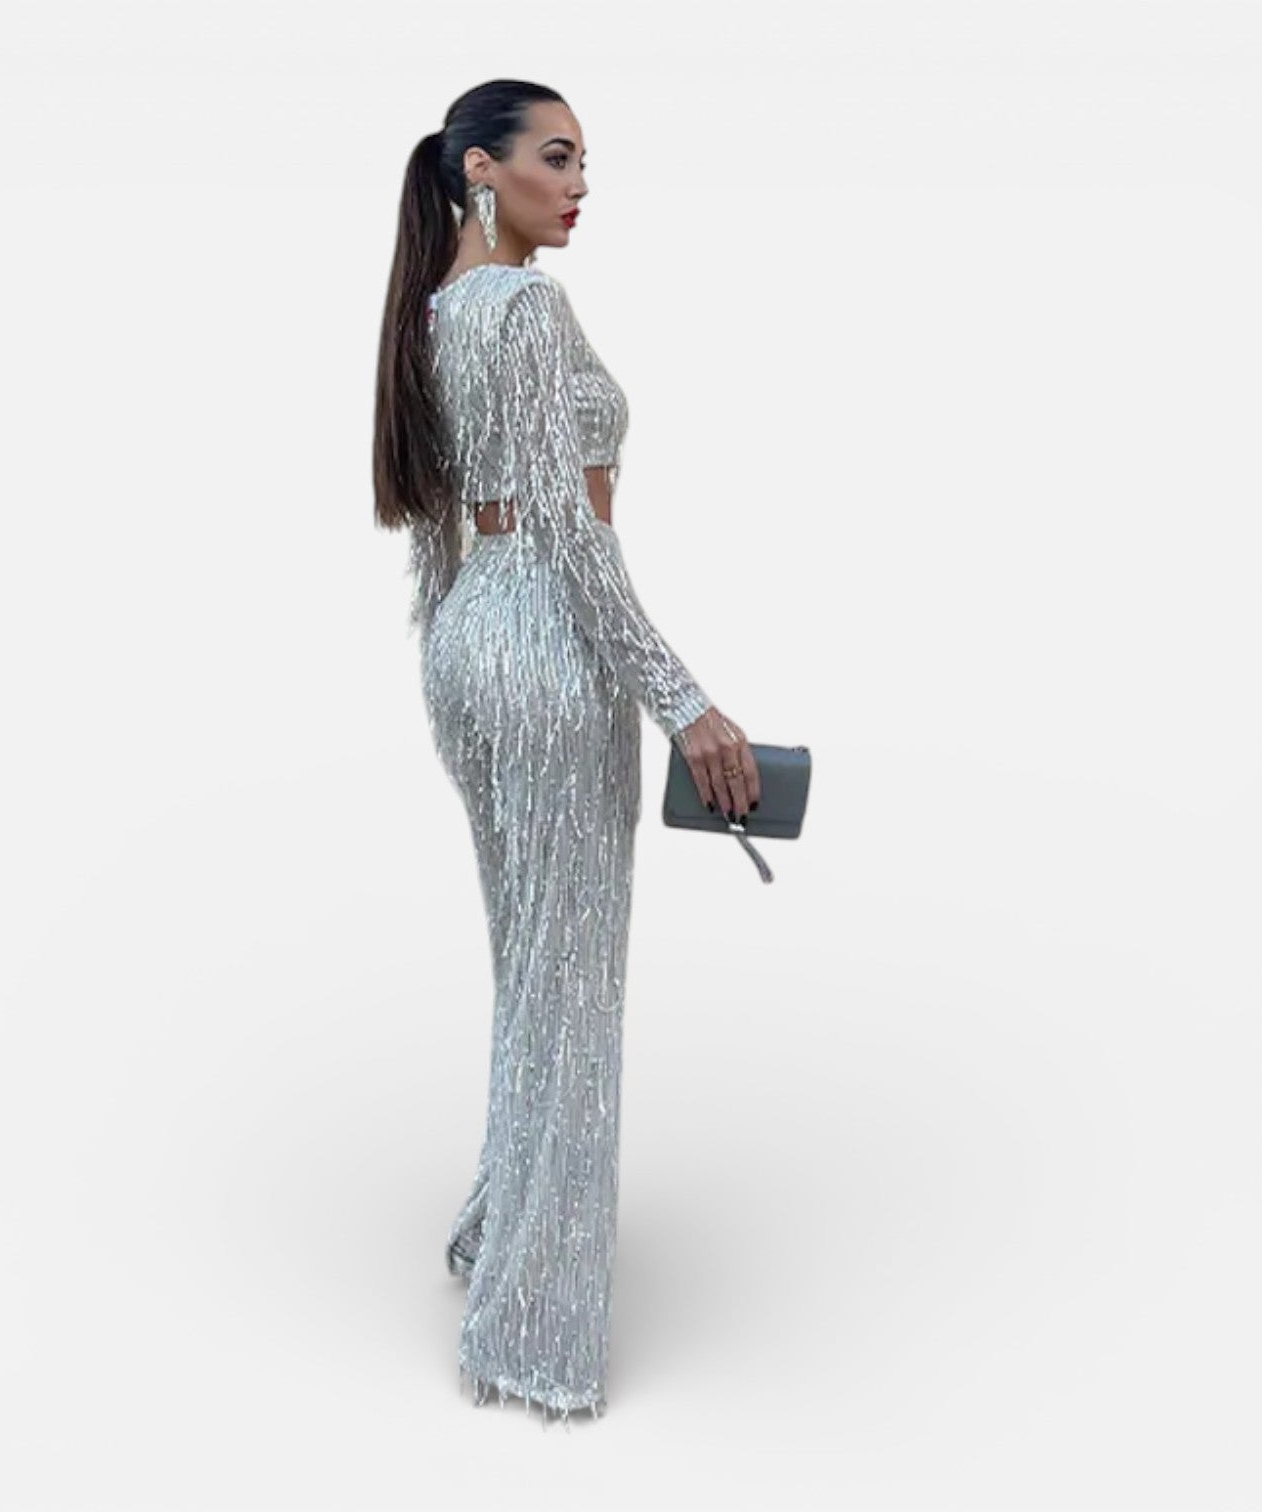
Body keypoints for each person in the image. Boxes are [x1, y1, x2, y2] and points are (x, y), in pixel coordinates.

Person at [372, 79, 759, 1425]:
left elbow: (443, 529)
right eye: (556, 156)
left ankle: (504, 1227)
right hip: (544, 641)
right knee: (571, 985)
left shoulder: (432, 311)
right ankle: (532, 1329)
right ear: (480, 170)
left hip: (468, 643)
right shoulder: (526, 310)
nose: (581, 182)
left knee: (530, 970)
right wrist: (685, 703)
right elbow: (568, 529)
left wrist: (448, 662)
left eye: (586, 160)